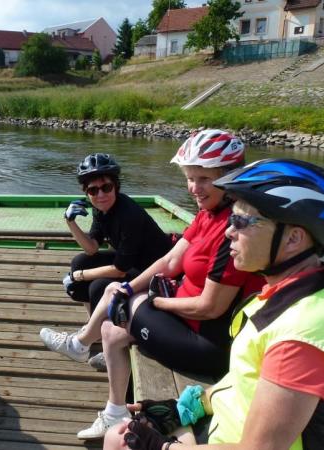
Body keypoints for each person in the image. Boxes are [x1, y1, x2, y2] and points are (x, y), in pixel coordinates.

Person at [43, 130, 265, 440]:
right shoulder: (207, 214)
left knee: (117, 304)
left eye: (203, 179)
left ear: (229, 177)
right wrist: (130, 289)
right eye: (190, 178)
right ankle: (111, 405)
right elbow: (171, 262)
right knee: (113, 310)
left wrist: (152, 302)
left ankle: (82, 350)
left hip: (207, 343)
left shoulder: (233, 229)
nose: (193, 188)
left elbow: (208, 307)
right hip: (184, 317)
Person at [103, 158, 324, 450]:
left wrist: (166, 448)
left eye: (242, 221)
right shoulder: (281, 297)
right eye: (231, 218)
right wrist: (192, 405)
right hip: (223, 425)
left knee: (119, 441)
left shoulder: (300, 334)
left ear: (294, 239)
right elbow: (245, 380)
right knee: (119, 435)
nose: (229, 231)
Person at [40, 153, 173, 367]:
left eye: (106, 187)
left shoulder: (129, 215)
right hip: (133, 263)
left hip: (154, 273)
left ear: (116, 186)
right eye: (93, 190)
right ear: (86, 192)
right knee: (80, 261)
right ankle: (95, 331)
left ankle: (91, 344)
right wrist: (70, 222)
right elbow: (91, 248)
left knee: (97, 286)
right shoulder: (102, 209)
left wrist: (78, 277)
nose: (100, 195)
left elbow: (120, 270)